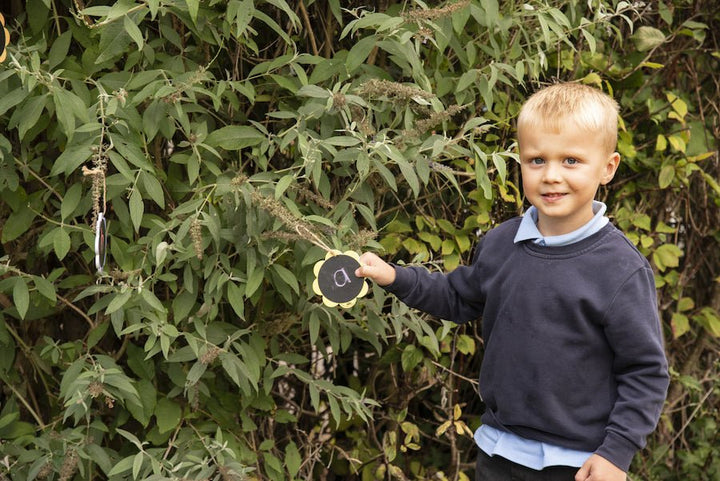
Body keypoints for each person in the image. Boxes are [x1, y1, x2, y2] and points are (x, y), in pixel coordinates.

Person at [354, 82, 669, 481]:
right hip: (499, 449)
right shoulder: (503, 243)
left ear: (607, 167)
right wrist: (395, 276)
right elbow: (456, 296)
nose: (551, 175)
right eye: (536, 160)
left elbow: (645, 371)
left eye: (571, 160)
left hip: (578, 463)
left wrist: (616, 453)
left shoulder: (620, 269)